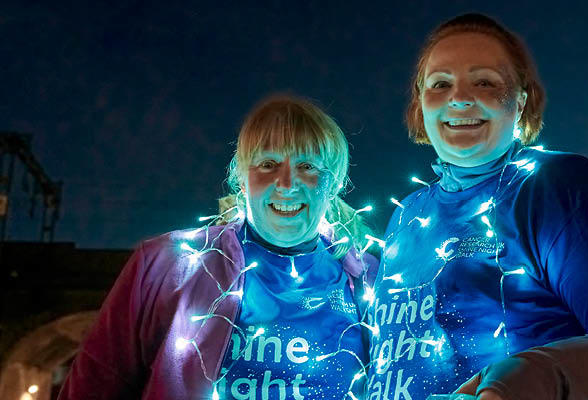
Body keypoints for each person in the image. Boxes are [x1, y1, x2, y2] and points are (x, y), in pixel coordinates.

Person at [367, 14, 588, 400]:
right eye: (440, 84)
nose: (459, 97)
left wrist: (533, 379)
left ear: (521, 100)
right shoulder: (406, 215)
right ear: (420, 104)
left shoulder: (561, 188)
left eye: (484, 82)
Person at [58, 95, 378, 399]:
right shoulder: (167, 266)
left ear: (334, 181)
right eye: (268, 164)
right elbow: (94, 386)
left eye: (308, 166)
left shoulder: (372, 280)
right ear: (242, 179)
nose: (286, 183)